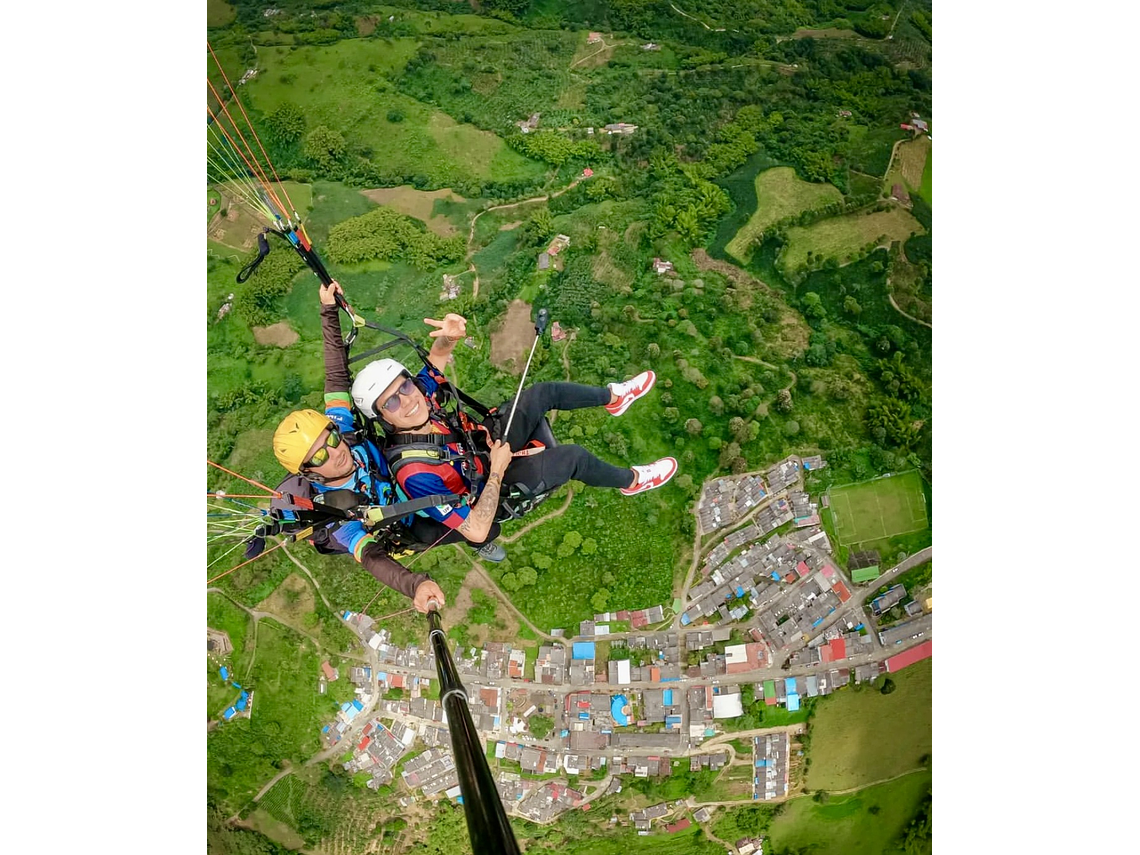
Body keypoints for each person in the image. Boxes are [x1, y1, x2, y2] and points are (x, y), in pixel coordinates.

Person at [350, 311, 678, 562]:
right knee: (573, 458)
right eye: (391, 402)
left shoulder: (420, 398)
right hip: (487, 488)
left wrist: (449, 338)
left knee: (542, 393)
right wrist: (496, 469)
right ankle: (632, 480)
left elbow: (435, 363)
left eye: (404, 386)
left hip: (482, 447)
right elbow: (476, 530)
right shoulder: (415, 474)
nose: (407, 400)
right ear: (382, 419)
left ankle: (614, 398)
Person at [269, 282, 446, 613]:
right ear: (307, 471)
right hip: (409, 522)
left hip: (405, 471)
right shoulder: (334, 515)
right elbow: (371, 557)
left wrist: (328, 310)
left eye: (330, 439)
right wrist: (415, 584)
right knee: (479, 529)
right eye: (319, 456)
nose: (335, 451)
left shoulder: (345, 434)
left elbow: (336, 377)